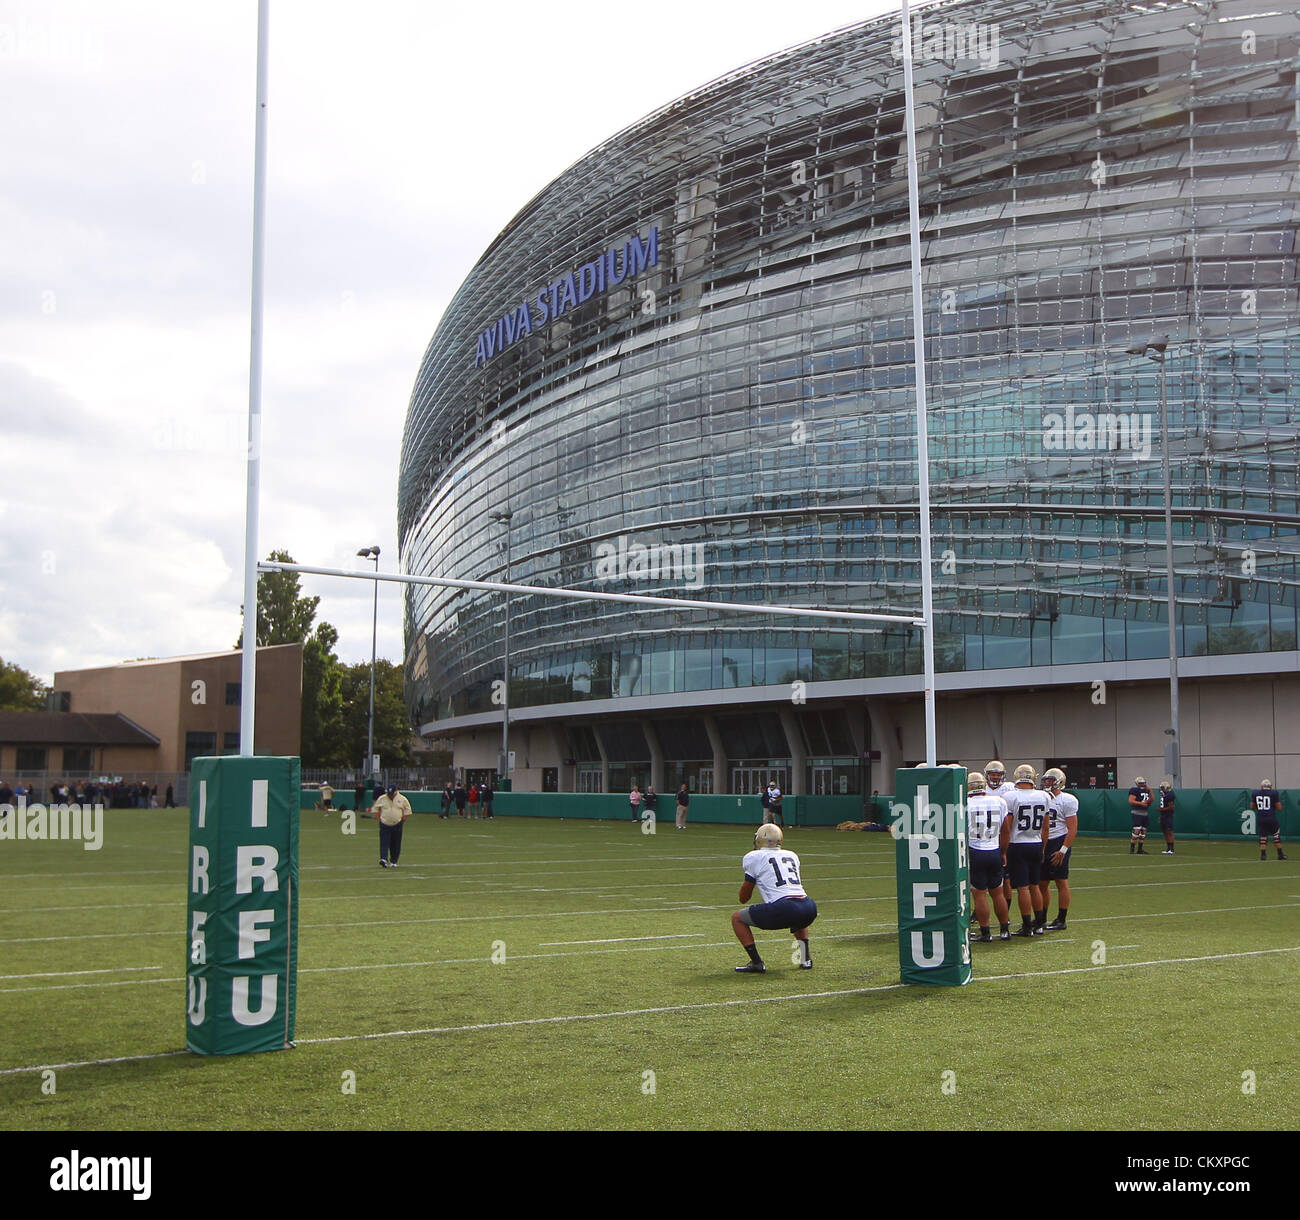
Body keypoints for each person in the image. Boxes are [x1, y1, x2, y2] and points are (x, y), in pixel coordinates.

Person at [731, 823, 817, 973]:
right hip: (809, 907)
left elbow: (744, 897)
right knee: (797, 912)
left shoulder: (754, 857)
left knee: (737, 918)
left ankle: (757, 963)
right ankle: (805, 959)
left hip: (786, 908)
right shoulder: (792, 855)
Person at [1000, 764, 1050, 936]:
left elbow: (1007, 826)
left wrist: (1003, 851)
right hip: (1036, 843)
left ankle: (1027, 926)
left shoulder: (1010, 796)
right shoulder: (1044, 796)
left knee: (1022, 888)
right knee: (1035, 886)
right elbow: (1045, 828)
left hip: (1017, 844)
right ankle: (1039, 924)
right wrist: (1042, 847)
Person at [966, 771, 1012, 942]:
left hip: (975, 850)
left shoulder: (965, 804)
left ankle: (985, 932)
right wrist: (1004, 852)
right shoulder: (999, 801)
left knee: (979, 894)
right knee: (998, 893)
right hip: (994, 850)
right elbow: (1005, 830)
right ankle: (1004, 930)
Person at [1039, 767, 1078, 930]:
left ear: (1059, 782)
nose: (1047, 783)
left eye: (1051, 780)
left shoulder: (1067, 800)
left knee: (1061, 882)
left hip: (1058, 841)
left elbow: (1072, 829)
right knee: (1042, 883)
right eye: (1046, 780)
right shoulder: (1040, 797)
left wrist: (1063, 850)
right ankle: (1042, 918)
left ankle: (1061, 919)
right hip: (1043, 842)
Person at [374, 783, 413, 868]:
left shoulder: (402, 799)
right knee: (384, 842)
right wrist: (379, 820)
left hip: (397, 824)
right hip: (385, 824)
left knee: (395, 843)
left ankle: (394, 861)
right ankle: (383, 859)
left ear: (396, 792)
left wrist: (402, 820)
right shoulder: (382, 798)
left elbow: (408, 811)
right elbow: (376, 809)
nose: (390, 796)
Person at [1249, 779, 1287, 861]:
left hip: (1261, 818)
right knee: (1276, 835)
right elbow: (1279, 807)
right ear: (1270, 786)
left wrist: (1260, 808)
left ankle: (1263, 855)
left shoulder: (1255, 793)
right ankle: (1280, 854)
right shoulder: (1274, 793)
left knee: (1263, 837)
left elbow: (1252, 806)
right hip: (1271, 817)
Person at [1128, 776, 1152, 854]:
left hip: (1145, 813)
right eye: (1141, 783)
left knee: (1143, 832)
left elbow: (1152, 799)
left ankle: (1140, 849)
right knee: (1136, 831)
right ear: (1137, 783)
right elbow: (1131, 801)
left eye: (1143, 783)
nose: (1143, 784)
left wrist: (1150, 791)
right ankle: (1132, 849)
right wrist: (1141, 803)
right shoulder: (1134, 790)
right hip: (1137, 812)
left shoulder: (1147, 790)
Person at [1157, 780, 1176, 854]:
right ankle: (1168, 848)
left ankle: (1172, 849)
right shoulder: (1164, 795)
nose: (1161, 789)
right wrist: (1161, 815)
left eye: (1162, 788)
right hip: (1164, 815)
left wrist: (1161, 809)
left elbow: (1171, 807)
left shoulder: (1170, 795)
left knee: (1169, 832)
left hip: (1168, 816)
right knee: (1165, 832)